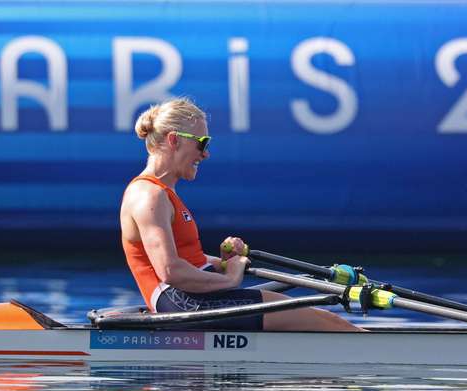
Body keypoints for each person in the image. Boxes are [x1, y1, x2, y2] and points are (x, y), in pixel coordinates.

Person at [120, 97, 359, 331]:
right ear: (174, 140)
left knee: (328, 323)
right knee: (333, 325)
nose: (206, 154)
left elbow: (186, 259)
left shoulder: (161, 193)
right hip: (183, 303)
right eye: (202, 143)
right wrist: (230, 279)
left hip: (192, 298)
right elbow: (170, 271)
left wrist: (223, 262)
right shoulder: (149, 196)